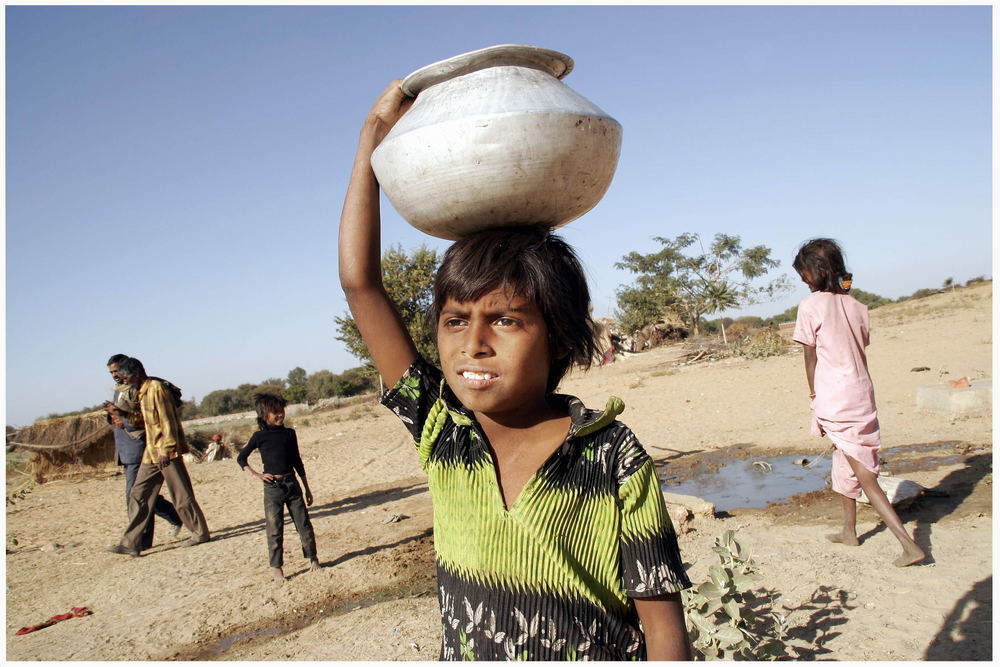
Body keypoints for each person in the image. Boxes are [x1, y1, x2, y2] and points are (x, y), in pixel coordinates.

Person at [338, 81, 692, 661]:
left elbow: (663, 629)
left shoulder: (610, 454)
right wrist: (371, 145)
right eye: (455, 321)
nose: (472, 345)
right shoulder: (442, 431)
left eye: (504, 321)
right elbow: (361, 284)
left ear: (558, 337)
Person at [791, 238, 925, 567]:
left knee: (865, 476)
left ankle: (909, 545)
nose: (803, 280)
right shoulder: (857, 305)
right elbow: (859, 344)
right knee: (845, 458)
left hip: (835, 396)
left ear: (817, 272)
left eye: (804, 274)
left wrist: (813, 395)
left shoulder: (810, 306)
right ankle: (849, 531)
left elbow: (810, 357)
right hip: (862, 391)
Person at [105, 357, 211, 556]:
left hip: (165, 451)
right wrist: (122, 413)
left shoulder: (156, 389)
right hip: (151, 451)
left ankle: (199, 532)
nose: (123, 381)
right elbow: (144, 421)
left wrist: (166, 449)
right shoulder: (141, 392)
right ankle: (131, 543)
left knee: (181, 495)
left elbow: (167, 421)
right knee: (138, 494)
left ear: (136, 374)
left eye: (125, 377)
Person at [237, 394, 319, 583]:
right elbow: (241, 458)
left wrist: (306, 488)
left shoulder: (289, 433)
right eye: (275, 412)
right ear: (264, 415)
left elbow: (297, 461)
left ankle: (313, 558)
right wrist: (257, 475)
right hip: (272, 488)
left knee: (304, 525)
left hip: (292, 484)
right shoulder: (259, 437)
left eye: (281, 411)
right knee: (274, 528)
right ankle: (277, 569)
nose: (280, 415)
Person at [104, 353, 183, 549]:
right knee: (142, 495)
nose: (115, 375)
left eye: (117, 371)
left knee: (138, 496)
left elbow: (151, 418)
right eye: (112, 372)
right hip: (127, 450)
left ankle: (137, 542)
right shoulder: (121, 390)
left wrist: (123, 419)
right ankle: (174, 518)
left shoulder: (143, 389)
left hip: (141, 448)